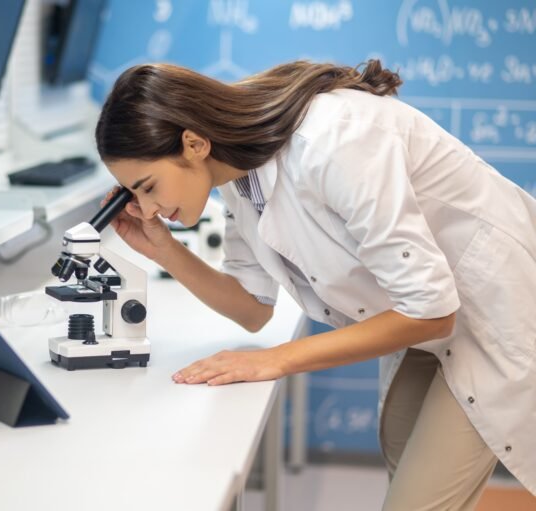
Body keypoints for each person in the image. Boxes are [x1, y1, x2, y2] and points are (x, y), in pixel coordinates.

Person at [94, 60, 536, 509]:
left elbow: (431, 311)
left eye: (148, 187)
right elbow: (252, 308)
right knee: (401, 450)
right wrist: (163, 251)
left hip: (497, 310)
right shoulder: (234, 177)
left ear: (193, 143)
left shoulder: (333, 141)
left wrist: (276, 361)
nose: (145, 209)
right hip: (433, 311)